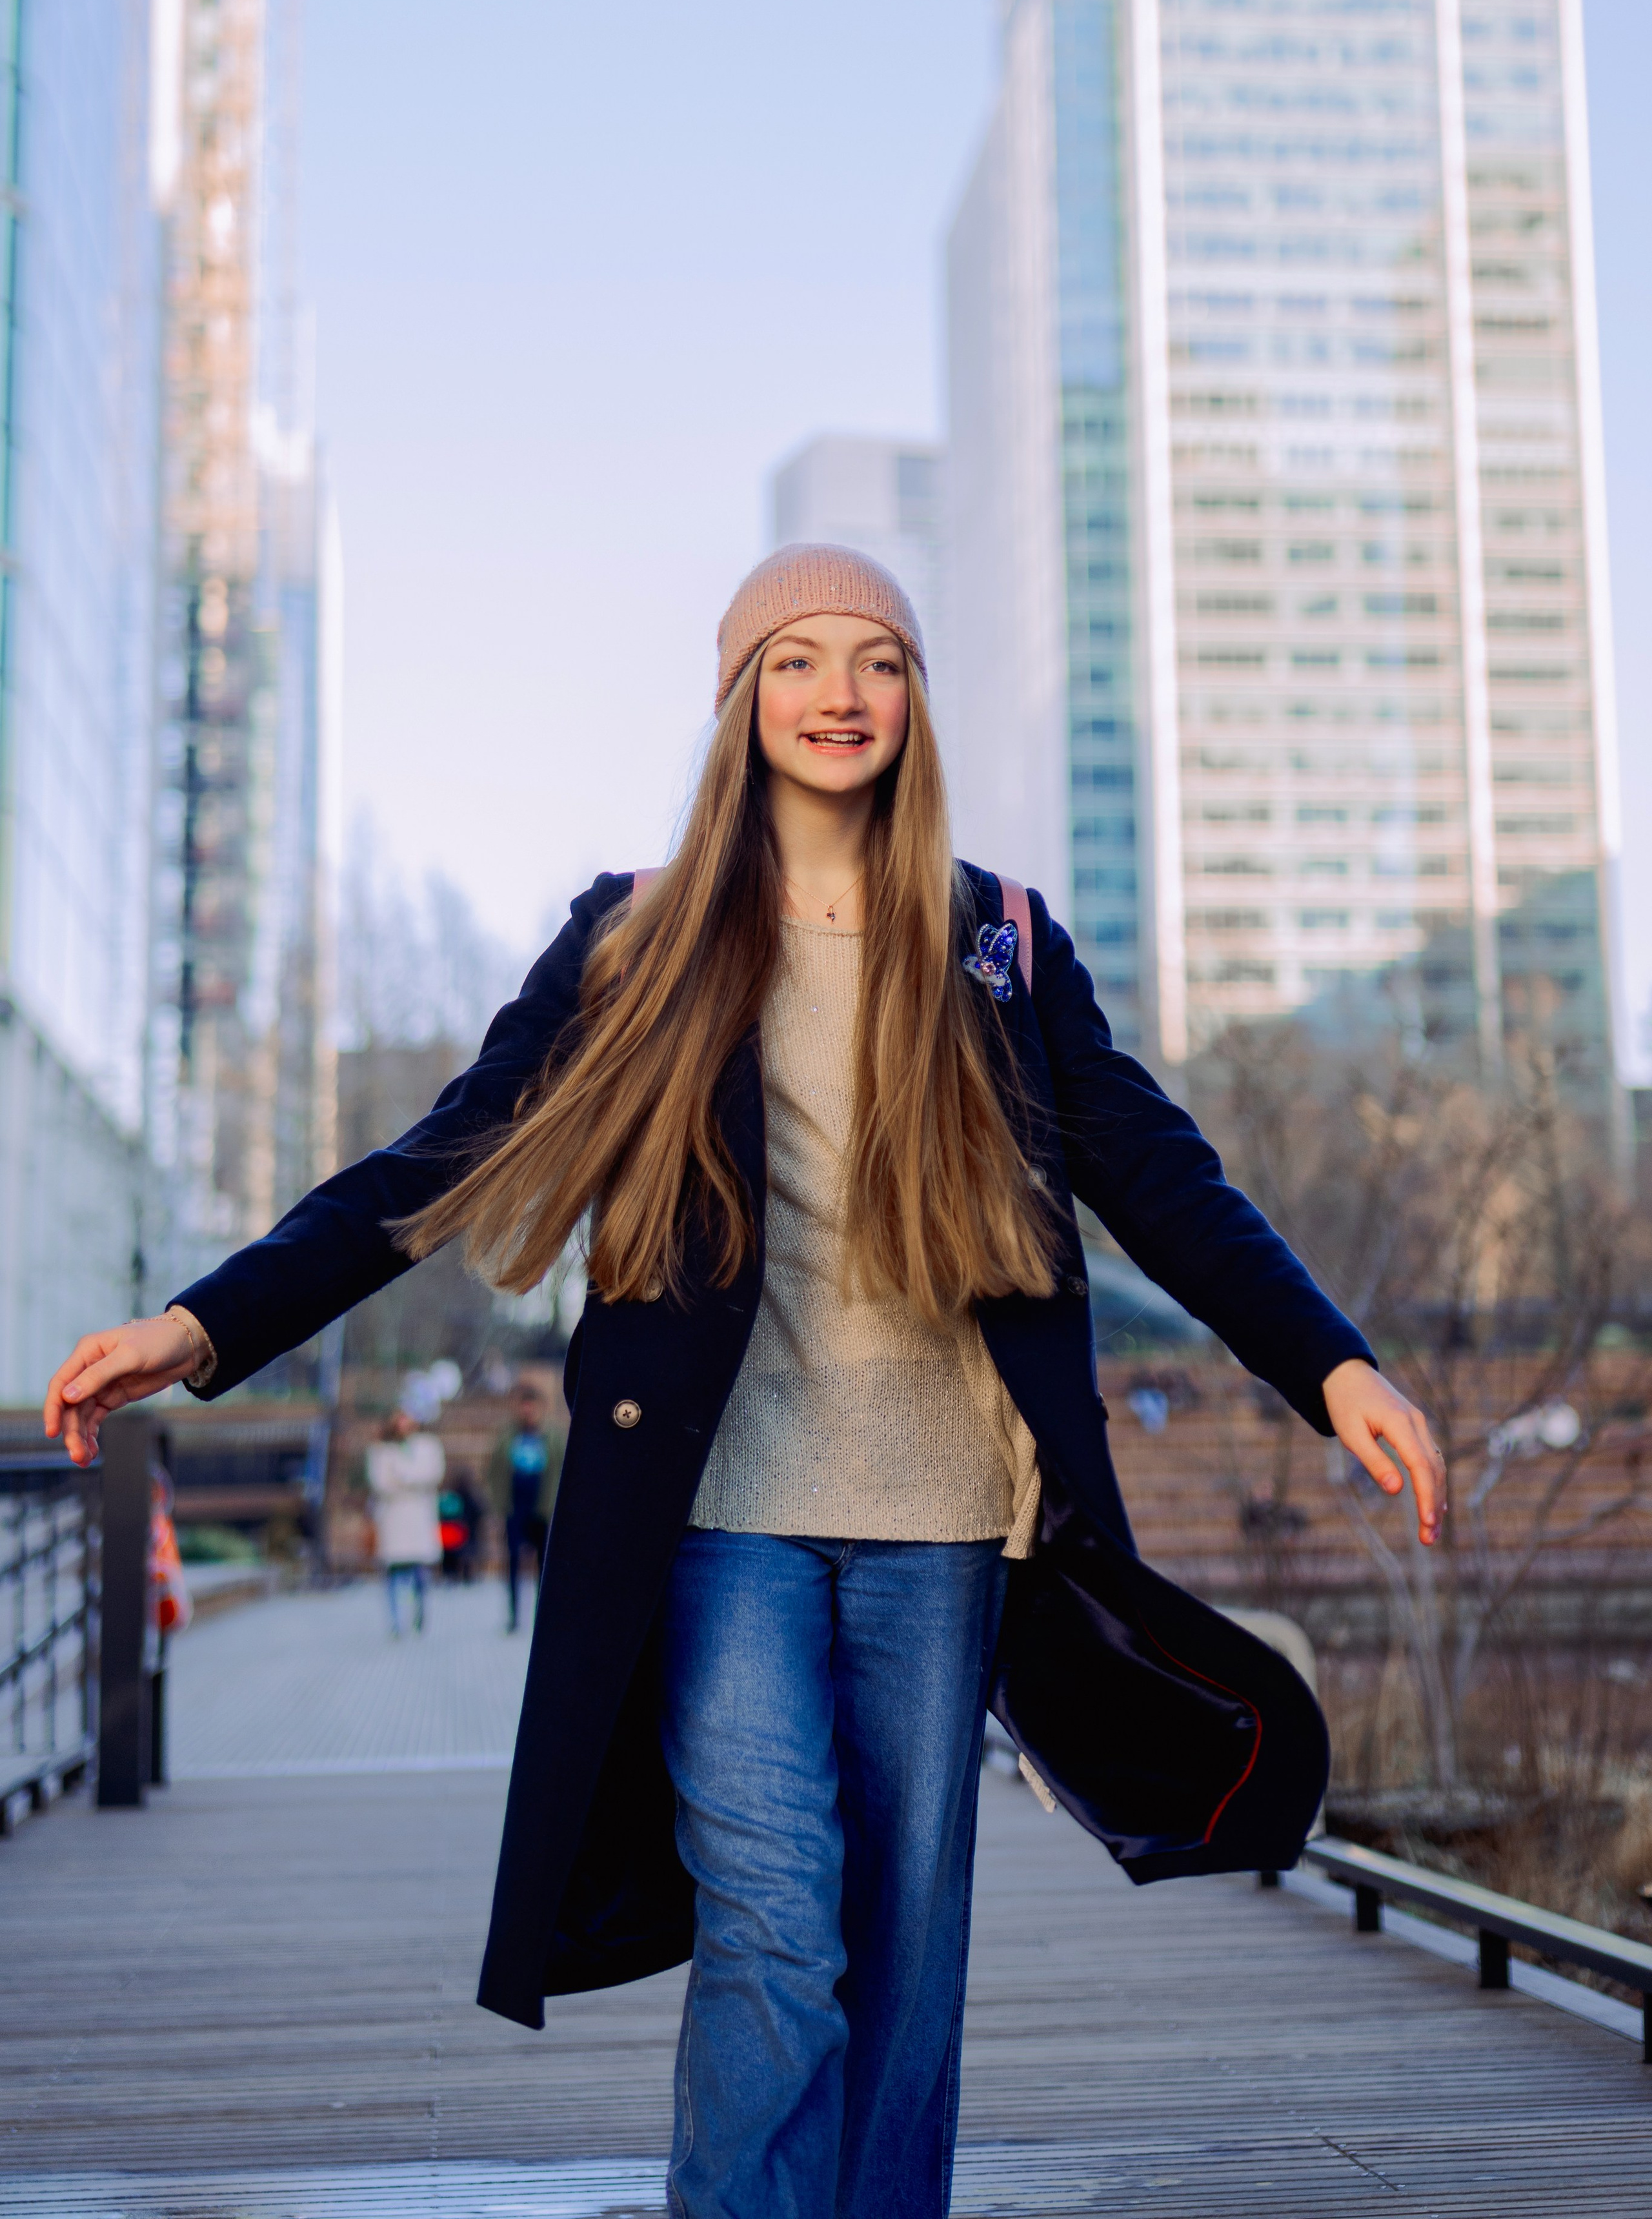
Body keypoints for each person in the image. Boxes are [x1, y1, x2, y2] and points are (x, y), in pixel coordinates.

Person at [45, 544, 1446, 2219]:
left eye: (877, 661)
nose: (838, 693)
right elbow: (441, 1160)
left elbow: (1163, 1179)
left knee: (904, 1941)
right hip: (722, 1515)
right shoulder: (637, 938)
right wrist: (203, 1328)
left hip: (942, 1518)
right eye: (796, 659)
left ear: (913, 699)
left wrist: (1330, 1363)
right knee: (777, 1919)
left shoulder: (996, 942)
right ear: (740, 699)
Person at [489, 1384, 563, 1631]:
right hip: (515, 1506)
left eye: (532, 1407)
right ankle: (513, 1615)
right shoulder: (507, 1436)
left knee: (544, 1564)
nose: (528, 1412)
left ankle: (541, 1616)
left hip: (543, 1507)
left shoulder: (552, 1436)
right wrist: (499, 1505)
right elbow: (494, 1471)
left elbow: (562, 1469)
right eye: (524, 1407)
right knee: (513, 1560)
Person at [365, 1408, 445, 1635]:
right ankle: (395, 1622)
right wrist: (411, 1480)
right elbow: (381, 1483)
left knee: (420, 1572)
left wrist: (403, 1477)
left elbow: (433, 1475)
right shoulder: (381, 1450)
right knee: (393, 1573)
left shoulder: (428, 1446)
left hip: (419, 1518)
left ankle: (419, 1617)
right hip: (393, 1519)